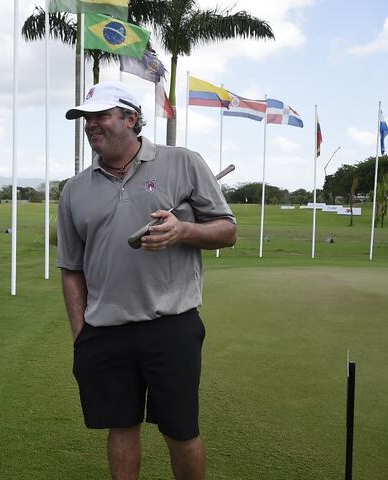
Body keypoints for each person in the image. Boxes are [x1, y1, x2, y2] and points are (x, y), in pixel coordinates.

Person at [57, 81, 237, 480]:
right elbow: (71, 268)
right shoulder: (74, 190)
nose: (91, 125)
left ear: (131, 119)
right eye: (86, 118)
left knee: (180, 430)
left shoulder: (183, 162)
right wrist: (80, 333)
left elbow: (227, 230)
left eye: (101, 116)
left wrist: (183, 231)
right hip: (104, 330)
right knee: (120, 427)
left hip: (170, 326)